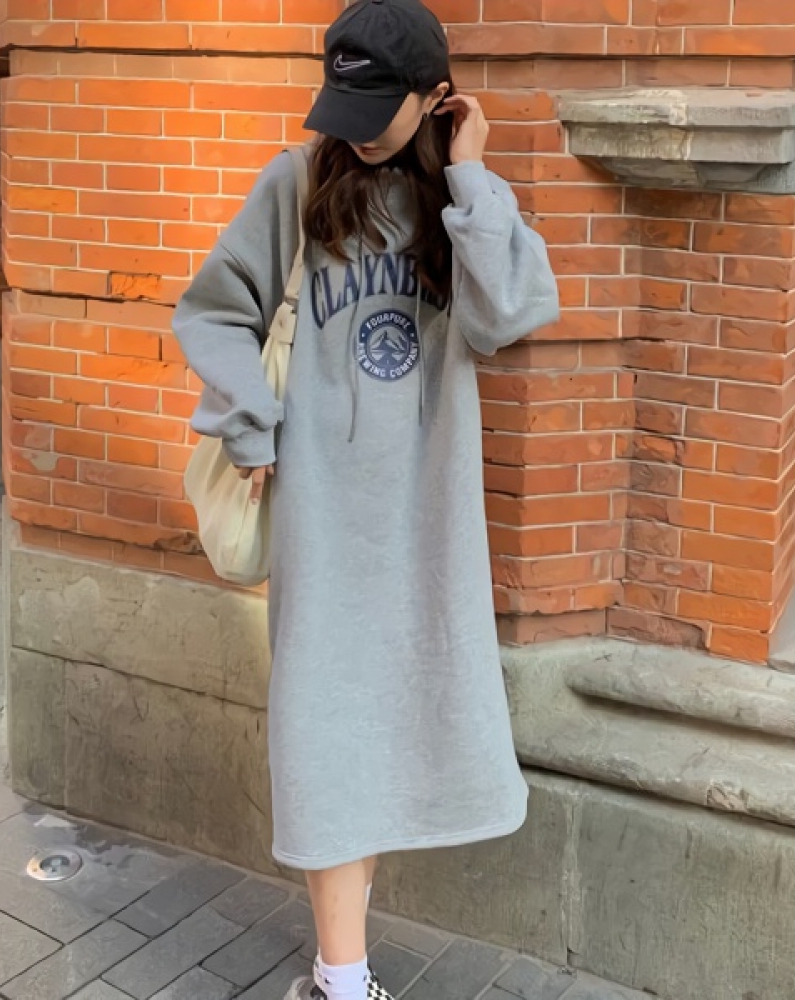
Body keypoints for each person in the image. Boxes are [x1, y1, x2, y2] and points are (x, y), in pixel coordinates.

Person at [172, 2, 561, 999]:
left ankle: (334, 972)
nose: (354, 130)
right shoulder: (298, 183)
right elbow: (214, 308)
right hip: (325, 516)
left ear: (436, 98)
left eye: (377, 108)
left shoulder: (466, 203)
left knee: (389, 724)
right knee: (326, 729)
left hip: (427, 521)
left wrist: (469, 174)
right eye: (341, 105)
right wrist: (250, 421)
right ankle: (341, 979)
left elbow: (509, 315)